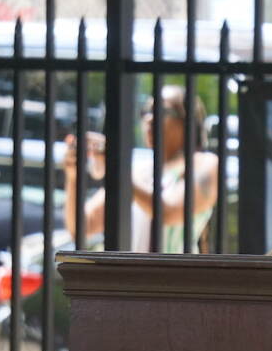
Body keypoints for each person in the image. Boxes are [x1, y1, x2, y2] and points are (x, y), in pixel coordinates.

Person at [63, 84, 218, 253]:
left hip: (176, 278)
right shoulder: (141, 170)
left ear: (187, 122)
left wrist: (117, 166)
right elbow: (83, 226)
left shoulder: (205, 163)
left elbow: (168, 212)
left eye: (162, 112)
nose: (149, 119)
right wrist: (73, 176)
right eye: (147, 112)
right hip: (133, 278)